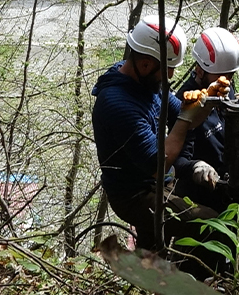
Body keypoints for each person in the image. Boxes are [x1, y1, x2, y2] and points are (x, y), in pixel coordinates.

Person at [91, 15, 230, 279]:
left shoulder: (145, 83)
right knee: (210, 223)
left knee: (151, 254)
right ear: (144, 64)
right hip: (135, 194)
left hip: (157, 183)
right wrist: (187, 117)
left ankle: (151, 279)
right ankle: (202, 283)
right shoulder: (119, 104)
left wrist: (209, 98)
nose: (171, 76)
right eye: (167, 68)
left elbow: (188, 120)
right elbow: (158, 163)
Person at [174, 26, 239, 212]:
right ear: (200, 70)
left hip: (226, 194)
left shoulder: (224, 90)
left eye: (231, 75)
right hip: (196, 200)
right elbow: (175, 160)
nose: (227, 81)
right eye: (222, 76)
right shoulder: (184, 102)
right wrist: (196, 167)